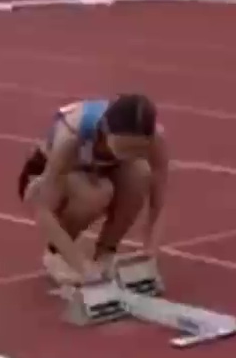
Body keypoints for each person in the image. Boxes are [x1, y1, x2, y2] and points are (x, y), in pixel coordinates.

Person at [18, 94, 169, 286]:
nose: (131, 154)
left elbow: (159, 199)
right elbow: (43, 210)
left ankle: (106, 252)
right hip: (44, 175)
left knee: (140, 174)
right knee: (96, 194)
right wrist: (80, 265)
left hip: (95, 170)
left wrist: (150, 251)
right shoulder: (73, 137)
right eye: (126, 148)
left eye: (139, 149)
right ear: (106, 130)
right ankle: (57, 254)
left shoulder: (156, 138)